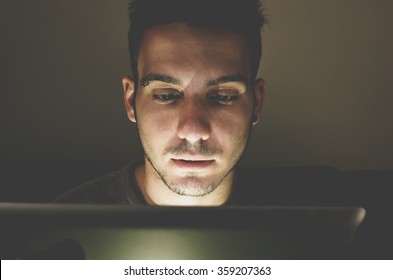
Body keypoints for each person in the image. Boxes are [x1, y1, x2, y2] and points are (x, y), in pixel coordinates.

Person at [54, 0, 267, 206]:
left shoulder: (298, 225)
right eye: (166, 95)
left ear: (256, 102)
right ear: (130, 101)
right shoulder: (53, 229)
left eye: (223, 96)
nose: (193, 131)